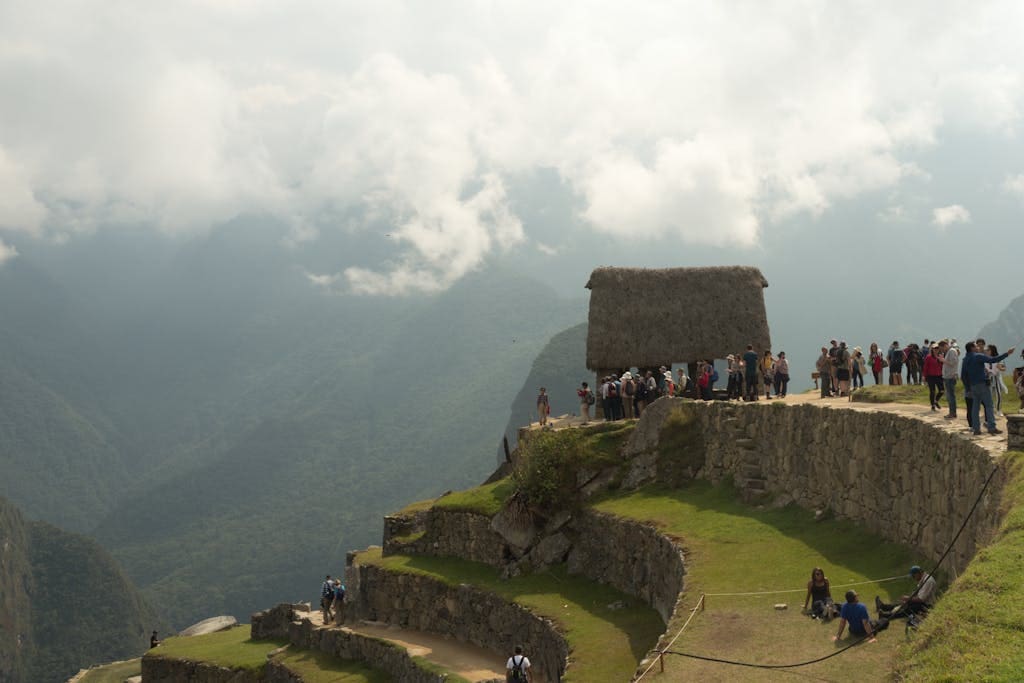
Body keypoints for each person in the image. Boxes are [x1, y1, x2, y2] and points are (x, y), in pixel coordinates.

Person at [961, 342, 1015, 435]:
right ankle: (991, 427)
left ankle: (976, 429)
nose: (978, 347)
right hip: (982, 384)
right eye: (976, 346)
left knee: (975, 408)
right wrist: (1007, 353)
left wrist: (968, 388)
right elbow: (993, 360)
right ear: (972, 348)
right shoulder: (978, 356)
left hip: (973, 386)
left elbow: (963, 376)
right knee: (989, 406)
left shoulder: (965, 359)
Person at [987, 345, 1008, 417]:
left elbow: (1004, 368)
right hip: (989, 378)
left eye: (988, 350)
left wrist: (1000, 368)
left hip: (997, 378)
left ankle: (998, 410)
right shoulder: (986, 358)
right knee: (989, 395)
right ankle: (990, 410)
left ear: (992, 350)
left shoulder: (999, 358)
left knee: (998, 395)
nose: (987, 351)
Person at [941, 339, 959, 419]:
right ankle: (952, 412)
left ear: (945, 345)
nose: (942, 350)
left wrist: (943, 360)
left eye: (942, 348)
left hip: (950, 377)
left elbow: (954, 362)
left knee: (951, 396)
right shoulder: (948, 352)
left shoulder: (951, 351)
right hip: (947, 376)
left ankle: (952, 413)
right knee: (949, 396)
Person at [923, 343, 945, 411]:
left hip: (939, 376)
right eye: (935, 348)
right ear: (932, 349)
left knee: (942, 390)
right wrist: (924, 376)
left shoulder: (940, 356)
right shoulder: (928, 357)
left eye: (937, 348)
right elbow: (925, 367)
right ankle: (933, 405)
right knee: (932, 391)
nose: (936, 350)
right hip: (931, 376)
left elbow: (943, 366)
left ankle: (936, 401)